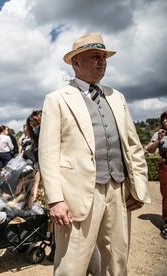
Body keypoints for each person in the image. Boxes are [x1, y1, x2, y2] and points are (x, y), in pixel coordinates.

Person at [39, 32, 151, 275]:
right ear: (75, 62)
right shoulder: (57, 99)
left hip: (118, 190)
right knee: (71, 265)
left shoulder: (116, 96)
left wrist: (137, 186)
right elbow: (47, 153)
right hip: (75, 194)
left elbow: (132, 146)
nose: (102, 62)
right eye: (94, 57)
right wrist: (55, 199)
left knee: (116, 262)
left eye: (104, 57)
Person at [146, 111, 167, 239]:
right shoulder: (158, 134)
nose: (165, 121)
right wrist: (158, 139)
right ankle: (166, 224)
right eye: (163, 120)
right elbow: (150, 149)